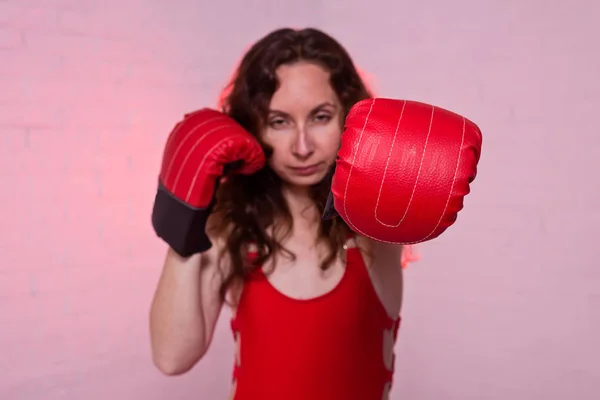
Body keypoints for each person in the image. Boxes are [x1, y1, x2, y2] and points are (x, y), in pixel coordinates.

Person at [149, 27, 482, 400]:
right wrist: (183, 223)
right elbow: (172, 358)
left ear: (349, 116)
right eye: (279, 121)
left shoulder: (373, 228)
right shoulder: (231, 230)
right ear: (253, 126)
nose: (302, 146)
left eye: (320, 117)